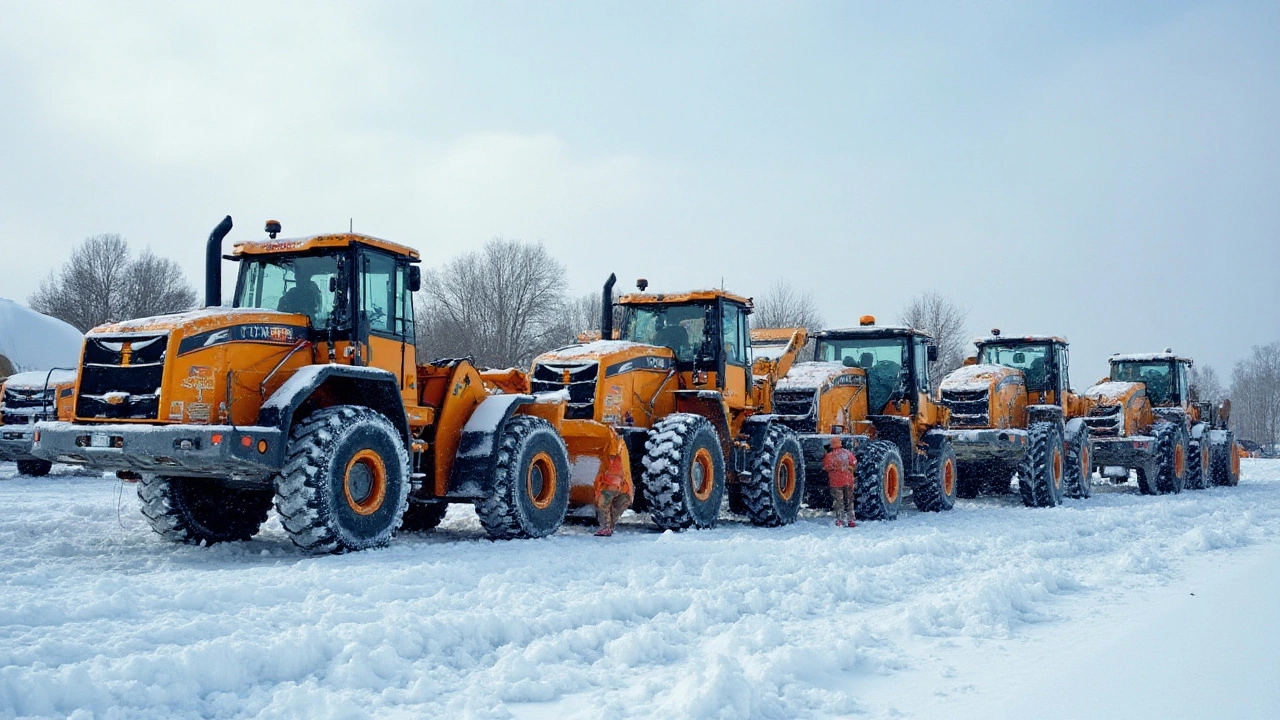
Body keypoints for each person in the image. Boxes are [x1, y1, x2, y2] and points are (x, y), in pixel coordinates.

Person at [594, 438, 633, 537]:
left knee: (604, 504)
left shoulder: (615, 446)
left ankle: (606, 527)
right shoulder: (621, 447)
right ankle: (608, 527)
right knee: (614, 508)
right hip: (624, 488)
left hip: (613, 485)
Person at [823, 437, 857, 527]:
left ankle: (840, 520)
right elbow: (854, 462)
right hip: (848, 481)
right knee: (849, 501)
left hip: (836, 483)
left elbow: (826, 467)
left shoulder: (829, 456)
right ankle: (851, 520)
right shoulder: (847, 453)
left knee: (839, 502)